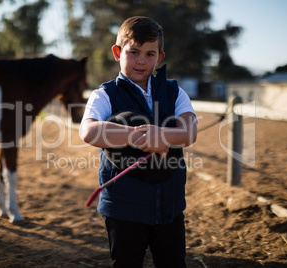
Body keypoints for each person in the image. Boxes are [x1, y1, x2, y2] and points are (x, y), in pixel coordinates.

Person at [79, 16, 198, 268]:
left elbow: (189, 132)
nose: (141, 60)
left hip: (169, 205)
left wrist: (162, 135)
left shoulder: (174, 92)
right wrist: (136, 135)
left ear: (160, 57)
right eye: (133, 52)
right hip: (123, 208)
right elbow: (88, 132)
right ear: (117, 52)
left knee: (173, 263)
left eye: (150, 53)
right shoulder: (104, 95)